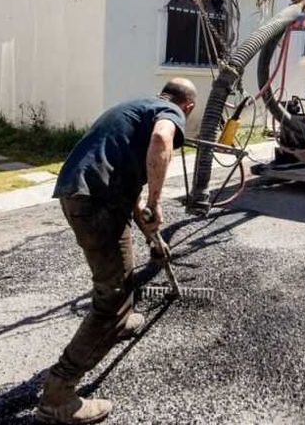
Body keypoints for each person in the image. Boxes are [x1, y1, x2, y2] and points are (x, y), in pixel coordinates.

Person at [36, 78, 197, 424]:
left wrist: (149, 227)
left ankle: (119, 324)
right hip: (98, 202)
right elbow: (161, 140)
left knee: (118, 277)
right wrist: (157, 202)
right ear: (188, 107)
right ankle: (58, 394)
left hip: (79, 193)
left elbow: (126, 182)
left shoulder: (136, 108)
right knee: (112, 299)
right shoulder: (170, 113)